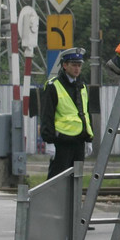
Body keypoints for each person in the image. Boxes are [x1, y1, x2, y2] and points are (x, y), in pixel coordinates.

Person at [40, 48, 93, 179]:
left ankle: (73, 201)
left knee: (76, 179)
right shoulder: (53, 86)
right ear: (64, 65)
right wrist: (49, 141)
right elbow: (47, 114)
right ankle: (52, 200)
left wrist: (89, 139)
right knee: (57, 179)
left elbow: (86, 113)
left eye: (79, 65)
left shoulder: (82, 86)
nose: (77, 68)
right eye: (73, 65)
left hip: (79, 141)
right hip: (61, 141)